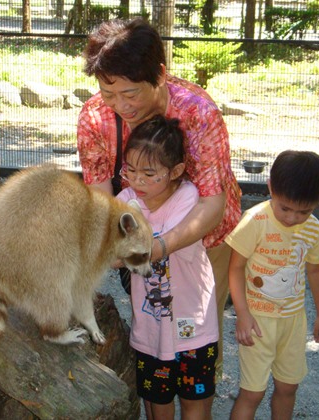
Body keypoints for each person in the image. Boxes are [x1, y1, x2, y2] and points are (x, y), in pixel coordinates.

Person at [77, 18, 242, 380]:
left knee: (196, 339)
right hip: (140, 234)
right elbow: (101, 196)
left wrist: (158, 246)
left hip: (203, 241)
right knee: (152, 330)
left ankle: (198, 393)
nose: (120, 105)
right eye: (108, 93)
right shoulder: (94, 117)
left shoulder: (198, 112)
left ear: (160, 74)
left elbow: (212, 204)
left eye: (131, 93)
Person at [116, 115, 219, 420]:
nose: (137, 181)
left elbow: (142, 248)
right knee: (156, 403)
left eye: (149, 174)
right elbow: (112, 255)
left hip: (193, 326)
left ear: (175, 171)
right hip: (150, 329)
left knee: (194, 403)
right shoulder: (127, 199)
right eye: (130, 170)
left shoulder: (188, 198)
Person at [225, 150, 319, 420]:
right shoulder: (256, 221)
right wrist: (242, 314)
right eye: (285, 208)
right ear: (271, 187)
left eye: (304, 211)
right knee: (252, 393)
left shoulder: (313, 229)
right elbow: (236, 268)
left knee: (288, 387)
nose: (292, 218)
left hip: (293, 321)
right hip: (258, 321)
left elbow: (316, 270)